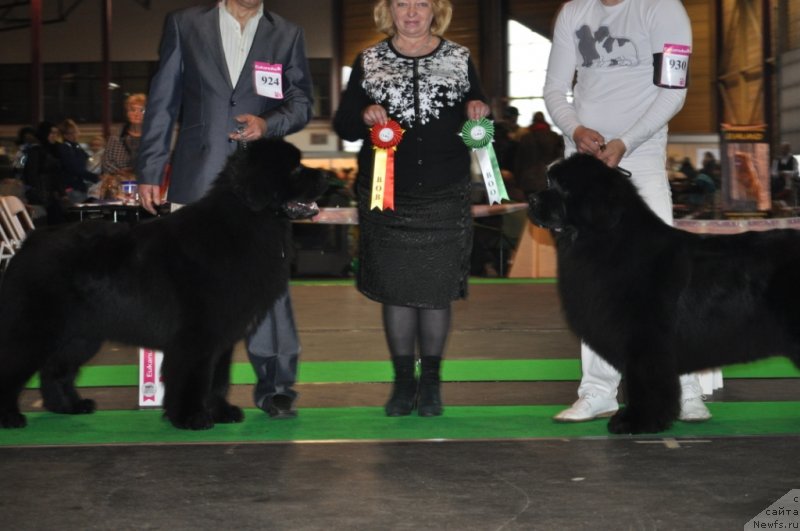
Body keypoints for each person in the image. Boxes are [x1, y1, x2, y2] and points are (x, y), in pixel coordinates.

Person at [135, 0, 314, 419]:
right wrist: (150, 167)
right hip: (196, 179)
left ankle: (276, 386)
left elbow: (303, 101)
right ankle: (193, 392)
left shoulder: (287, 33)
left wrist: (269, 124)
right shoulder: (183, 24)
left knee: (267, 287)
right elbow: (162, 101)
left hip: (260, 187)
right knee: (189, 297)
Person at [543, 0, 712, 423]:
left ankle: (685, 388)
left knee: (663, 279)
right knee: (593, 281)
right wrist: (575, 129)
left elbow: (673, 91)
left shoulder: (664, 10)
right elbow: (554, 90)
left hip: (642, 159)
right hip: (583, 167)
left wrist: (626, 142)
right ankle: (598, 390)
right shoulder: (573, 13)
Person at [333, 0, 490, 417]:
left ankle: (433, 385)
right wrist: (364, 113)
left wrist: (478, 108)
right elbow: (344, 124)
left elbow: (476, 105)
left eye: (421, 3)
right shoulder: (368, 59)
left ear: (436, 10)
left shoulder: (459, 57)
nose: (412, 11)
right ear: (389, 11)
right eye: (402, 3)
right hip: (388, 196)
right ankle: (403, 385)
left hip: (444, 192)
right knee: (397, 291)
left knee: (437, 293)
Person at [514, 111, 565, 195]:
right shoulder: (554, 137)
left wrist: (517, 180)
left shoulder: (525, 138)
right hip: (550, 179)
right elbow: (561, 159)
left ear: (533, 121)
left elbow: (519, 161)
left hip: (528, 180)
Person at [102, 93, 147, 178]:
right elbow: (106, 163)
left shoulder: (153, 137)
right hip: (120, 182)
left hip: (146, 182)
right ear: (127, 113)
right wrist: (121, 172)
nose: (137, 114)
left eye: (142, 110)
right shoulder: (117, 135)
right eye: (133, 110)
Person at [55, 119, 98, 204]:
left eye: (75, 132)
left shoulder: (76, 147)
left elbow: (88, 160)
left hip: (79, 187)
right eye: (71, 133)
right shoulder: (65, 148)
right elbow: (75, 168)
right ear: (65, 135)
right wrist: (95, 177)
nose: (75, 135)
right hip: (73, 187)